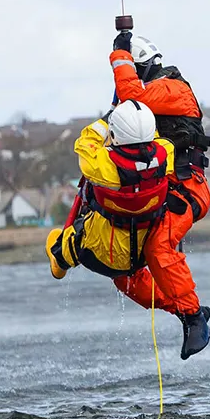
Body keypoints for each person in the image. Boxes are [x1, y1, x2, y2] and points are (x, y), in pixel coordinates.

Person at [107, 32, 210, 359]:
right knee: (123, 273)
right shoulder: (138, 104)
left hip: (186, 186)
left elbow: (130, 96)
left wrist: (118, 57)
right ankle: (186, 312)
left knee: (158, 247)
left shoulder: (173, 89)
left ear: (143, 67)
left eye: (131, 69)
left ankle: (194, 316)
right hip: (154, 192)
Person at [45, 99, 174, 283]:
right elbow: (156, 139)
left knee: (69, 240)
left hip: (99, 256)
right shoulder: (166, 154)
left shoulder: (102, 165)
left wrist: (108, 118)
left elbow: (85, 143)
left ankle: (60, 262)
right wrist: (138, 119)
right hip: (144, 255)